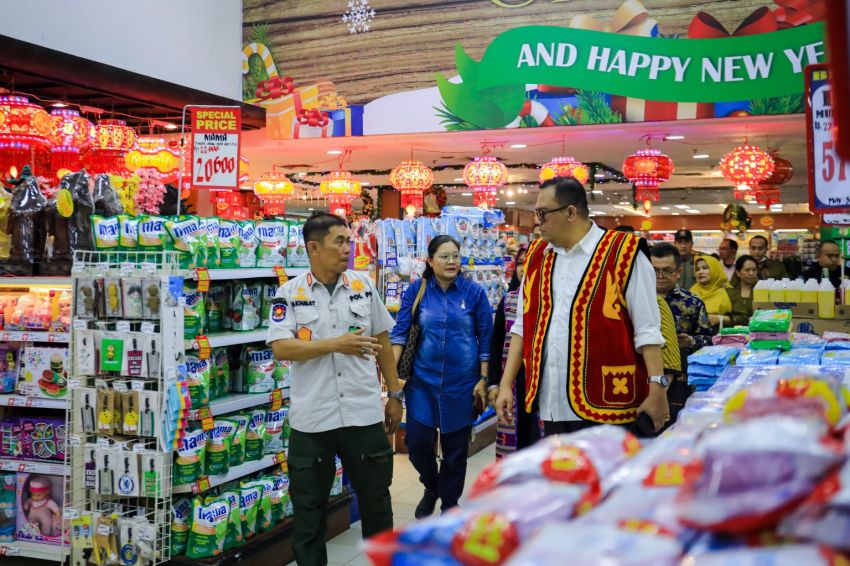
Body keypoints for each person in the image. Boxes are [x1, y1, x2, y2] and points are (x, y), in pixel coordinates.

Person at [267, 212, 403, 566]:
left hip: (363, 414)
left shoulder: (362, 286)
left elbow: (384, 344)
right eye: (338, 241)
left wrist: (394, 394)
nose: (347, 248)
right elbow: (281, 348)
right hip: (313, 421)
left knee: (377, 503)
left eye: (348, 240)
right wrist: (334, 344)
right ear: (313, 247)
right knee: (309, 512)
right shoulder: (289, 293)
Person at [495, 177, 668, 436]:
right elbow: (523, 325)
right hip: (551, 400)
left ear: (571, 213)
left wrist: (657, 388)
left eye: (542, 213)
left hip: (610, 402)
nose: (537, 222)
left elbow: (647, 330)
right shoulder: (536, 256)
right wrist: (506, 383)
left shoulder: (625, 254)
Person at [391, 235, 493, 518]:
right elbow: (400, 333)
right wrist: (393, 382)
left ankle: (450, 504)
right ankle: (431, 485)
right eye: (445, 256)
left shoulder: (474, 293)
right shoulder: (417, 291)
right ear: (430, 260)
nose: (452, 262)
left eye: (456, 256)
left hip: (462, 384)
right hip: (422, 382)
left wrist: (483, 381)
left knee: (455, 451)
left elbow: (485, 339)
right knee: (418, 444)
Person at [487, 245, 541, 460]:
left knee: (538, 443)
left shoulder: (550, 302)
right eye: (520, 262)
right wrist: (494, 384)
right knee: (515, 445)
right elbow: (496, 343)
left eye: (530, 262)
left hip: (539, 387)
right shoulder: (508, 300)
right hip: (513, 385)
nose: (524, 267)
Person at [650, 243, 713, 370]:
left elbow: (710, 339)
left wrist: (690, 341)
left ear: (679, 272)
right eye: (655, 270)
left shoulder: (693, 303)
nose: (660, 276)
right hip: (644, 370)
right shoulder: (636, 301)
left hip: (682, 373)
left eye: (667, 270)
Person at [691, 255, 749, 329]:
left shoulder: (729, 292)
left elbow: (743, 319)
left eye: (705, 268)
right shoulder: (691, 292)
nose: (700, 272)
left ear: (715, 269)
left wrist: (720, 319)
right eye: (697, 269)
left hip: (723, 337)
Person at [731, 254, 758, 321]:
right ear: (738, 273)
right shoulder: (731, 290)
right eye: (747, 270)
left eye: (754, 270)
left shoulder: (762, 290)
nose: (751, 273)